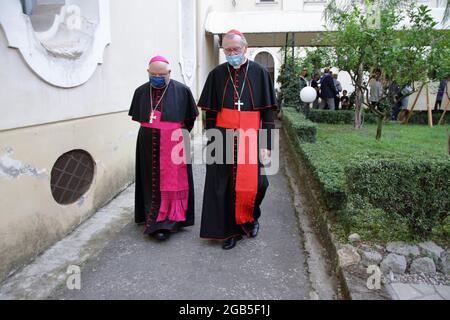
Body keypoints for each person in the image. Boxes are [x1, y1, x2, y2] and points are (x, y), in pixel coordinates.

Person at [198, 30, 278, 250]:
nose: (231, 53)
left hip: (251, 137)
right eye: (228, 50)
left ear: (245, 48)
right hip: (223, 136)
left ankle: (250, 218)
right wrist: (211, 139)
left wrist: (267, 144)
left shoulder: (260, 73)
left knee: (258, 184)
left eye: (235, 49)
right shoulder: (216, 74)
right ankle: (229, 231)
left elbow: (268, 113)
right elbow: (210, 112)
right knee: (222, 185)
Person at [128, 56, 199, 241]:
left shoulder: (182, 90)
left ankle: (169, 220)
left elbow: (190, 120)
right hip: (146, 142)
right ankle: (150, 216)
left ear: (170, 73)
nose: (157, 77)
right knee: (149, 179)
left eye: (162, 74)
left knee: (173, 180)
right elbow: (139, 117)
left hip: (174, 142)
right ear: (148, 73)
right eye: (153, 74)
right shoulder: (141, 91)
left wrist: (173, 133)